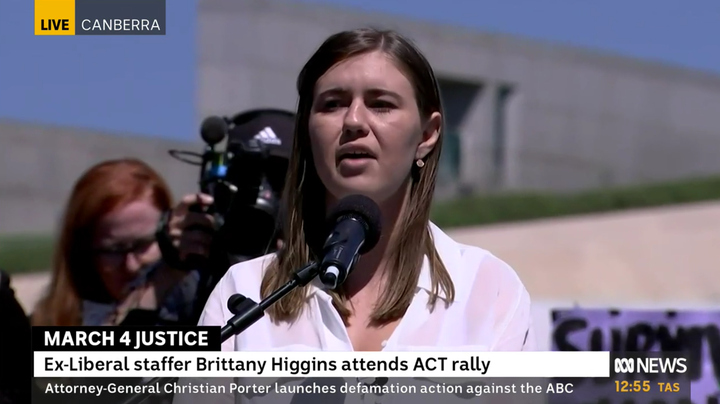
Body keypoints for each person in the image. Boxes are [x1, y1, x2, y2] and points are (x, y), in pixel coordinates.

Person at [176, 26, 534, 404]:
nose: (353, 122)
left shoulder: (489, 288)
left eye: (381, 104)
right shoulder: (244, 290)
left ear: (427, 134)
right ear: (307, 131)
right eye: (332, 104)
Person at [30, 158, 214, 327]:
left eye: (143, 244)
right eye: (114, 250)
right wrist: (154, 289)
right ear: (83, 254)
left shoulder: (197, 304)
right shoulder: (43, 323)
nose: (132, 266)